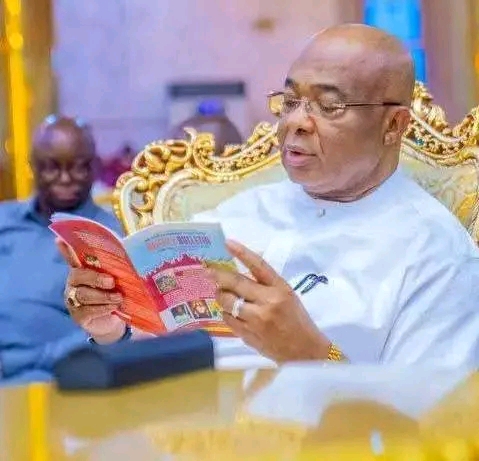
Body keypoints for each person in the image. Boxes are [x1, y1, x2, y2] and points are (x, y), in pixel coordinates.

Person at [60, 24, 479, 368]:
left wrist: (312, 354)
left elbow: (422, 423)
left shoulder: (436, 255)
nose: (296, 122)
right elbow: (155, 350)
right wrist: (111, 326)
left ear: (393, 126)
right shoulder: (236, 213)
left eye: (329, 106)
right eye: (291, 100)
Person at [0, 115, 122, 381]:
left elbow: (114, 330)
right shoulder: (4, 219)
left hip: (51, 377)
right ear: (32, 167)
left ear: (94, 167)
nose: (65, 178)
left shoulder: (110, 236)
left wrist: (16, 362)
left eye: (78, 168)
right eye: (51, 168)